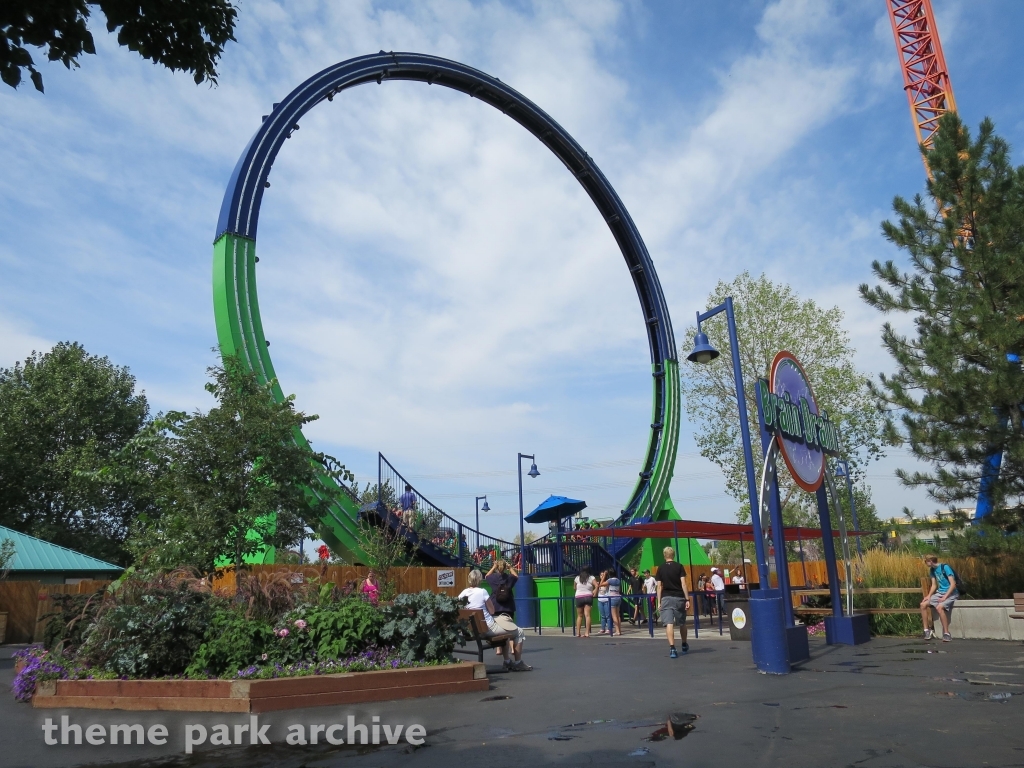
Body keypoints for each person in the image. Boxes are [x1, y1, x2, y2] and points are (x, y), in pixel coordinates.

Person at [459, 569, 531, 671]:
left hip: (471, 630)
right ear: (479, 580)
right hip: (487, 628)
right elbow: (492, 611)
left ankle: (507, 661)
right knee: (519, 631)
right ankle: (518, 662)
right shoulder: (482, 591)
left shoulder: (463, 593)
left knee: (504, 629)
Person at [655, 547, 690, 658]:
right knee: (682, 622)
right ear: (673, 555)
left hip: (666, 597)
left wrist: (659, 601)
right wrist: (687, 599)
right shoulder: (679, 566)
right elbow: (684, 584)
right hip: (678, 597)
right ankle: (684, 643)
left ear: (664, 555)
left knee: (669, 623)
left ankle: (672, 648)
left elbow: (659, 586)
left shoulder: (660, 568)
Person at [920, 554, 959, 642]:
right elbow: (934, 585)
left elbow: (953, 584)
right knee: (923, 605)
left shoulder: (945, 567)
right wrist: (929, 596)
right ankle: (926, 630)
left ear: (930, 561)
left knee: (939, 607)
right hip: (940, 592)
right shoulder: (932, 570)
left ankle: (946, 633)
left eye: (926, 562)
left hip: (951, 593)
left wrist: (945, 597)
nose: (925, 564)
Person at [486, 560, 518, 656]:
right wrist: (510, 567)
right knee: (510, 626)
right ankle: (512, 649)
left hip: (496, 606)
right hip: (508, 606)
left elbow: (486, 576)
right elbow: (516, 576)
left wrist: (493, 567)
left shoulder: (493, 578)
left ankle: (498, 649)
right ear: (505, 568)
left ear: (497, 567)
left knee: (498, 628)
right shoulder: (509, 578)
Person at [574, 566, 596, 637]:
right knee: (587, 615)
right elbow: (596, 585)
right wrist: (594, 591)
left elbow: (574, 587)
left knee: (579, 616)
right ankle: (587, 633)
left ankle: (578, 633)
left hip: (579, 597)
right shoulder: (591, 577)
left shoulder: (577, 578)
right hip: (588, 596)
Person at [607, 568, 623, 636]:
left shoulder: (610, 580)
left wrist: (604, 576)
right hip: (618, 597)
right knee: (618, 614)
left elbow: (601, 584)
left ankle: (617, 631)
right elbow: (619, 589)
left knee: (614, 615)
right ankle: (619, 629)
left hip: (612, 598)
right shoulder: (618, 580)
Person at [596, 569, 612, 635]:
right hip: (600, 600)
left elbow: (602, 585)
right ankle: (603, 628)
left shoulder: (607, 582)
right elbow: (597, 590)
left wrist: (604, 576)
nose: (602, 576)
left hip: (606, 600)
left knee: (608, 615)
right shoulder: (598, 582)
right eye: (601, 575)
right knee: (602, 616)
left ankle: (609, 628)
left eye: (603, 575)